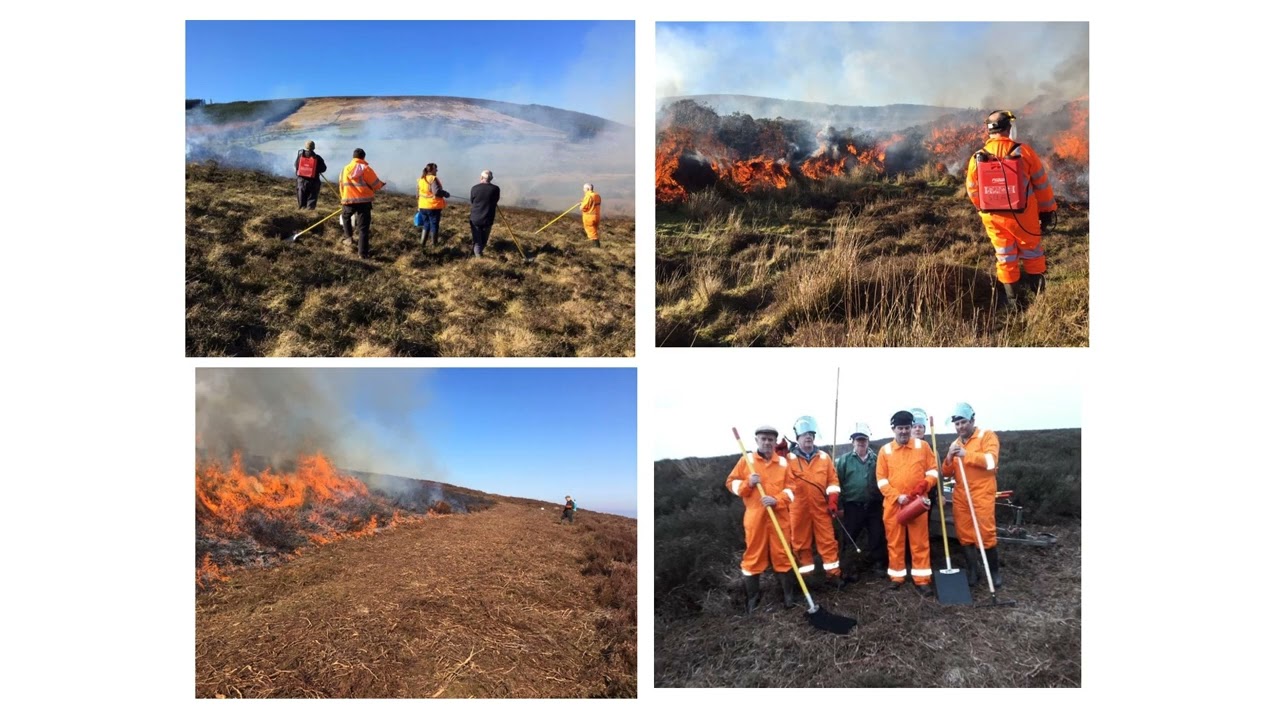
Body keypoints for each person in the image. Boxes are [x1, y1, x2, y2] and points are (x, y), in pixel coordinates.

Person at [965, 110, 1059, 310]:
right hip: (1024, 216)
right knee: (1032, 253)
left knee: (1005, 257)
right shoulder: (1023, 151)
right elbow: (1041, 184)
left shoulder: (977, 157)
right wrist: (1048, 210)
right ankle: (1039, 298)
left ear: (989, 131)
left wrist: (984, 211)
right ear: (1009, 128)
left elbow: (973, 190)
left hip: (994, 218)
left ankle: (1013, 302)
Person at [726, 425, 798, 613]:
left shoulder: (783, 464)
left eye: (771, 439)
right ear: (757, 440)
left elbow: (791, 490)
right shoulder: (746, 461)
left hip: (779, 518)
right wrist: (747, 483)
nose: (767, 442)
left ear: (775, 442)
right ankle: (753, 598)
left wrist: (777, 500)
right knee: (753, 558)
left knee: (783, 555)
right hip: (755, 519)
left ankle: (788, 595)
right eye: (763, 439)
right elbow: (730, 483)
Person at [876, 410, 940, 595]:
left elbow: (933, 471)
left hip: (917, 504)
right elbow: (881, 480)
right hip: (894, 504)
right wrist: (896, 496)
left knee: (920, 542)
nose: (903, 431)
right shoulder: (885, 451)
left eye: (906, 427)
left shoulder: (923, 447)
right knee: (894, 542)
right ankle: (897, 577)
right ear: (893, 429)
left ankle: (921, 580)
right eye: (900, 428)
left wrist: (925, 484)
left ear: (912, 427)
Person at [941, 402, 1003, 587]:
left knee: (986, 533)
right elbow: (946, 473)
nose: (960, 427)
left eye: (963, 422)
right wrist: (950, 458)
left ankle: (994, 573)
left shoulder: (987, 436)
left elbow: (991, 461)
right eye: (957, 424)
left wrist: (967, 454)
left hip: (982, 492)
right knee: (965, 534)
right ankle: (973, 572)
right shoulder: (955, 443)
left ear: (972, 420)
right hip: (961, 494)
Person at [786, 416, 842, 586]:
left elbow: (833, 482)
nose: (808, 437)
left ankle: (834, 575)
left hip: (821, 507)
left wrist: (833, 500)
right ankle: (807, 579)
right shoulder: (787, 459)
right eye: (804, 435)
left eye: (811, 434)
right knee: (800, 543)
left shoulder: (824, 457)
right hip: (798, 508)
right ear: (797, 438)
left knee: (828, 541)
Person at [834, 422, 886, 583]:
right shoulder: (843, 461)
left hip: (873, 505)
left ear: (868, 441)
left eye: (863, 439)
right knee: (850, 537)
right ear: (852, 442)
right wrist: (839, 505)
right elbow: (836, 483)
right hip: (852, 506)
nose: (861, 442)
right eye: (857, 440)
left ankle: (878, 565)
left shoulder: (877, 459)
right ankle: (849, 567)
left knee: (877, 535)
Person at [339, 148, 387, 259]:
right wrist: (381, 184)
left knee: (345, 217)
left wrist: (343, 198)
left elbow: (341, 185)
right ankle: (363, 254)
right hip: (364, 202)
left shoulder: (344, 169)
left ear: (353, 157)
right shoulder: (366, 169)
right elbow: (375, 184)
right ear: (363, 157)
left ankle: (348, 237)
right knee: (363, 228)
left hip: (348, 200)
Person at [416, 163, 450, 249]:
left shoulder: (421, 179)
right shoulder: (433, 179)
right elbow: (437, 192)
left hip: (423, 206)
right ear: (431, 170)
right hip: (433, 207)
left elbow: (418, 194)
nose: (437, 170)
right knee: (434, 225)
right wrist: (445, 193)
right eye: (436, 169)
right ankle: (435, 245)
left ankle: (422, 244)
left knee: (426, 224)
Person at [469, 170, 501, 258]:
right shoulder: (495, 189)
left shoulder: (474, 188)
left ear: (481, 177)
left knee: (477, 241)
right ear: (491, 178)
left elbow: (472, 201)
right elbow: (495, 200)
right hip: (488, 219)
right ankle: (479, 258)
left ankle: (477, 257)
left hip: (475, 218)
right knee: (483, 241)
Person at [294, 140, 327, 210]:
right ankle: (310, 213)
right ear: (314, 147)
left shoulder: (300, 156)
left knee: (301, 201)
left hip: (301, 182)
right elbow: (324, 168)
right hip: (314, 182)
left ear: (305, 147)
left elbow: (296, 166)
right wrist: (316, 169)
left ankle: (302, 212)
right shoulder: (317, 157)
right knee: (311, 200)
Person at [581, 183, 602, 247]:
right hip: (597, 216)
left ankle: (596, 248)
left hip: (589, 217)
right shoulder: (597, 195)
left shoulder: (588, 196)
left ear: (587, 189)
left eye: (584, 188)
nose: (583, 190)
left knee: (591, 233)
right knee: (594, 231)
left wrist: (581, 205)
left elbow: (584, 207)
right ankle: (593, 245)